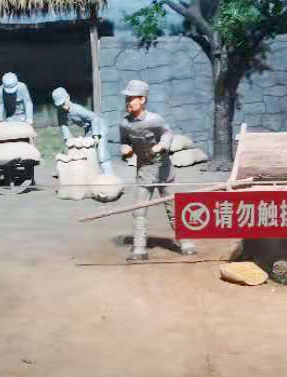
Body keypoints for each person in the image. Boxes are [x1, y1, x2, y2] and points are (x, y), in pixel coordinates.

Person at [118, 79, 195, 262]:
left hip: (163, 169)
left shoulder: (154, 119)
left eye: (132, 98)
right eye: (127, 98)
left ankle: (186, 242)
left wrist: (161, 145)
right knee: (139, 210)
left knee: (173, 208)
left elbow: (168, 133)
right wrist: (125, 149)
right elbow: (124, 141)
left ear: (142, 100)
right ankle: (139, 248)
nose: (128, 102)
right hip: (144, 171)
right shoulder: (124, 124)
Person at [52, 85, 114, 176]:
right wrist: (68, 139)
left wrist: (96, 135)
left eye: (63, 103)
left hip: (100, 127)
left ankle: (109, 175)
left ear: (68, 97)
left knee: (101, 152)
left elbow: (94, 118)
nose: (63, 106)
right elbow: (63, 125)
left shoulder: (77, 109)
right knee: (83, 150)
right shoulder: (61, 112)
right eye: (60, 105)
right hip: (89, 129)